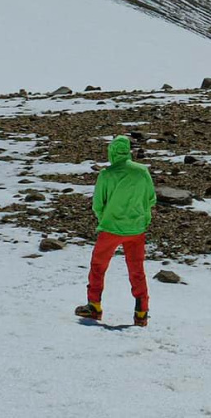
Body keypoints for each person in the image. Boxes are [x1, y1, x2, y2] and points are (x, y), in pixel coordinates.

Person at [74, 135, 155, 326]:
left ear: (111, 151)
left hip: (111, 229)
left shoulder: (106, 174)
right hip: (136, 229)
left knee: (98, 266)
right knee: (137, 270)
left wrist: (105, 219)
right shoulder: (142, 171)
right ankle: (141, 312)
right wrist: (143, 220)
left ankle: (94, 306)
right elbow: (150, 199)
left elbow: (97, 204)